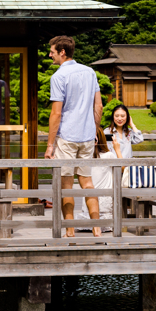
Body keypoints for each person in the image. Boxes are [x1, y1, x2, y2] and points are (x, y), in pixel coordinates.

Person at [44, 35, 103, 238]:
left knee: (66, 184)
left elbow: (56, 113)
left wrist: (50, 145)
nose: (49, 54)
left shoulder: (58, 77)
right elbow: (99, 106)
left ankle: (70, 230)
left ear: (62, 52)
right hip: (87, 136)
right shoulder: (90, 72)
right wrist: (94, 130)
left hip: (67, 136)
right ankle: (97, 228)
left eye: (52, 51)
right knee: (87, 182)